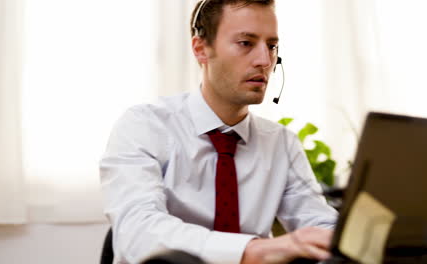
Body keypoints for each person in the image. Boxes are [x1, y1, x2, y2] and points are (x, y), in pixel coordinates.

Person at [99, 0, 338, 263]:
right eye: (246, 43)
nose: (264, 60)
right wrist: (252, 251)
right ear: (201, 49)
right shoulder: (144, 126)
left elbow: (321, 225)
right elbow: (138, 234)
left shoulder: (281, 143)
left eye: (271, 46)